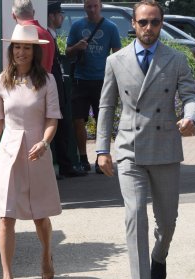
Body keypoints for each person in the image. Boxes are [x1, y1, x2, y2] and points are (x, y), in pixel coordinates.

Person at [96, 1, 195, 279]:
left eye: (154, 22)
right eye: (143, 22)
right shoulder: (116, 61)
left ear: (161, 23)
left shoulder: (176, 59)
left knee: (167, 221)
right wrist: (102, 148)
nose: (149, 28)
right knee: (135, 213)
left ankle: (159, 254)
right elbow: (106, 106)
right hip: (130, 149)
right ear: (133, 24)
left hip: (165, 147)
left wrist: (190, 116)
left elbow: (191, 96)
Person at [0, 24, 62, 279]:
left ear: (34, 51)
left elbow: (52, 118)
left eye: (26, 47)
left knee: (40, 217)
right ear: (10, 49)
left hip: (37, 150)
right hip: (9, 152)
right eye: (17, 47)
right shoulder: (0, 81)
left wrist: (45, 142)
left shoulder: (47, 80)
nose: (21, 52)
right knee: (5, 217)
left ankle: (46, 254)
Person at [65, 0, 121, 173]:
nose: (92, 10)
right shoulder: (77, 26)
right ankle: (83, 158)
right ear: (84, 7)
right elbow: (67, 52)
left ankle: (101, 158)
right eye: (89, 6)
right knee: (78, 120)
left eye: (95, 6)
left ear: (100, 6)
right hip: (80, 80)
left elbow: (118, 54)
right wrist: (77, 46)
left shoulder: (111, 27)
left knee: (101, 121)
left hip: (102, 81)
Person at [47, 1, 87, 178]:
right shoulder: (47, 36)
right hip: (53, 90)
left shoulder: (53, 36)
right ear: (52, 16)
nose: (62, 17)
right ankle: (62, 166)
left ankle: (65, 166)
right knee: (58, 130)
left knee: (62, 129)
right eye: (59, 14)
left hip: (58, 89)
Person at [12, 0, 54, 72]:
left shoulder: (21, 36)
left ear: (13, 15)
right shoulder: (47, 34)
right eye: (18, 47)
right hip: (47, 81)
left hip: (29, 81)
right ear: (33, 12)